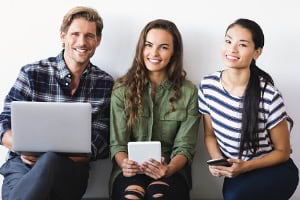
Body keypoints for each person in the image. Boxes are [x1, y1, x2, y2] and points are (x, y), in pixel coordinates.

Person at [0, 6, 113, 200]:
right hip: (23, 165)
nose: (82, 42)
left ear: (98, 40)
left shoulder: (105, 83)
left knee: (50, 160)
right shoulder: (32, 73)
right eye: (75, 34)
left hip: (70, 172)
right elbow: (4, 122)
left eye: (89, 36)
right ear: (63, 36)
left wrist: (49, 157)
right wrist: (21, 146)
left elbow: (102, 139)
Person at [198, 18, 299, 200]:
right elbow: (209, 135)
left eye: (242, 45)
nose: (232, 49)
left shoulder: (269, 96)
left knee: (234, 196)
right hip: (238, 169)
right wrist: (218, 163)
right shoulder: (208, 86)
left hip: (272, 169)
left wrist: (245, 166)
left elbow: (283, 152)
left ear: (256, 52)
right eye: (228, 41)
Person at [109, 19, 200, 200]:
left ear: (174, 52)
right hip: (129, 171)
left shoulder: (189, 92)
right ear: (141, 48)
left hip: (172, 171)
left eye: (163, 47)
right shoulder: (121, 89)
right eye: (149, 45)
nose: (154, 53)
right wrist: (124, 164)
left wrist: (168, 169)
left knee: (158, 195)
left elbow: (185, 147)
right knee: (132, 196)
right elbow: (117, 143)